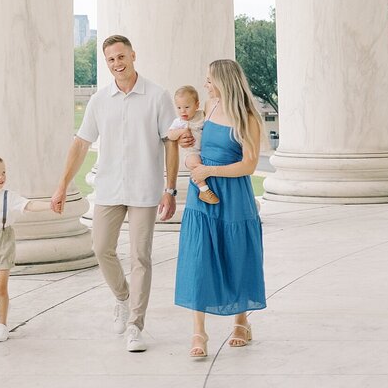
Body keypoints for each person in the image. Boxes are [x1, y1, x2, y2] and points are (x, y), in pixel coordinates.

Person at [51, 35, 178, 351]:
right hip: (109, 188)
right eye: (111, 60)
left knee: (140, 257)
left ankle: (135, 325)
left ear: (133, 55)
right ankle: (123, 297)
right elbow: (81, 144)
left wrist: (170, 189)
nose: (117, 64)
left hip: (145, 189)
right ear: (106, 63)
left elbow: (170, 142)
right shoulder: (99, 100)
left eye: (121, 57)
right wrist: (63, 185)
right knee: (101, 248)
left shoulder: (158, 96)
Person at [174, 57, 266, 360]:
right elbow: (192, 142)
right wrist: (190, 156)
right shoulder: (209, 108)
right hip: (201, 195)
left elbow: (249, 165)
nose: (205, 85)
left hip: (233, 194)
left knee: (236, 256)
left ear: (224, 82)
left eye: (210, 80)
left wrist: (210, 173)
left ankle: (242, 322)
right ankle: (198, 331)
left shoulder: (248, 117)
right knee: (198, 258)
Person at [0, 153, 57, 342]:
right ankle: (3, 306)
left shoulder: (10, 197)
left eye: (3, 172)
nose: (1, 177)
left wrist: (50, 205)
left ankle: (2, 325)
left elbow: (29, 205)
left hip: (4, 241)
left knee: (1, 287)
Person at [167, 85, 218, 203]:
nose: (182, 111)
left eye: (186, 107)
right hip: (191, 152)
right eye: (179, 107)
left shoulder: (202, 115)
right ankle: (204, 190)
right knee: (195, 164)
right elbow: (170, 135)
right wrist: (182, 131)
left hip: (206, 150)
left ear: (197, 105)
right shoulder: (179, 122)